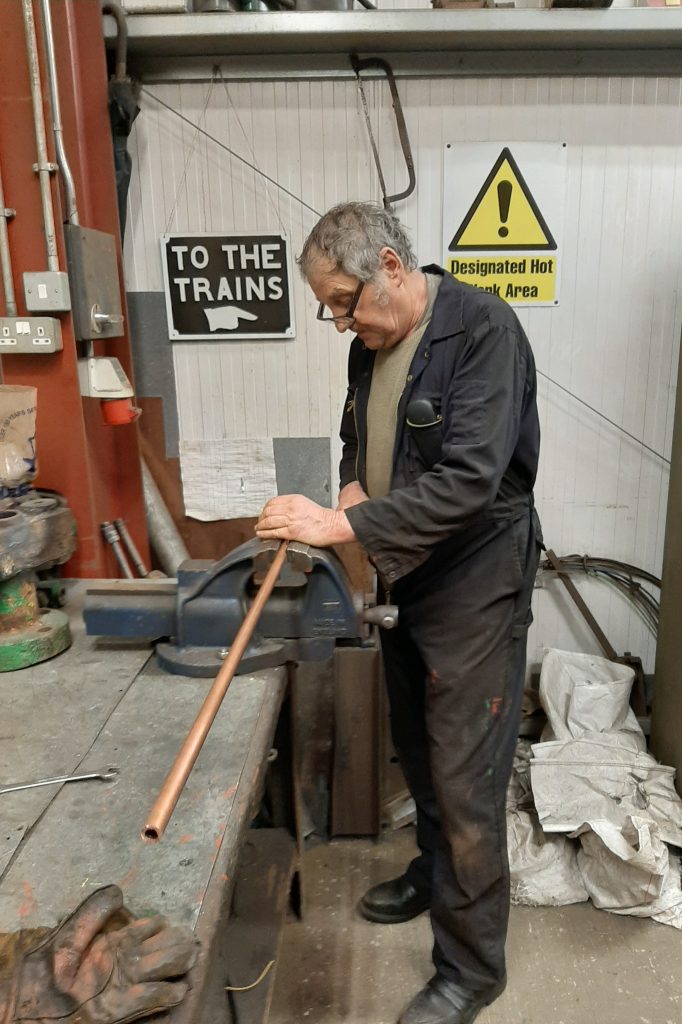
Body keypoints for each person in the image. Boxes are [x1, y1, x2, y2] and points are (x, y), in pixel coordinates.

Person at [256, 202, 542, 1024]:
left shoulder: (483, 330)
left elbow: (471, 479)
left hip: (476, 580)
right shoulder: (369, 346)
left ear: (389, 265)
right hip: (406, 573)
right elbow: (362, 441)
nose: (341, 323)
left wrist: (338, 526)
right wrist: (351, 490)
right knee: (419, 749)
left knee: (465, 775)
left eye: (344, 302)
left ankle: (472, 967)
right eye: (329, 309)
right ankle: (434, 874)